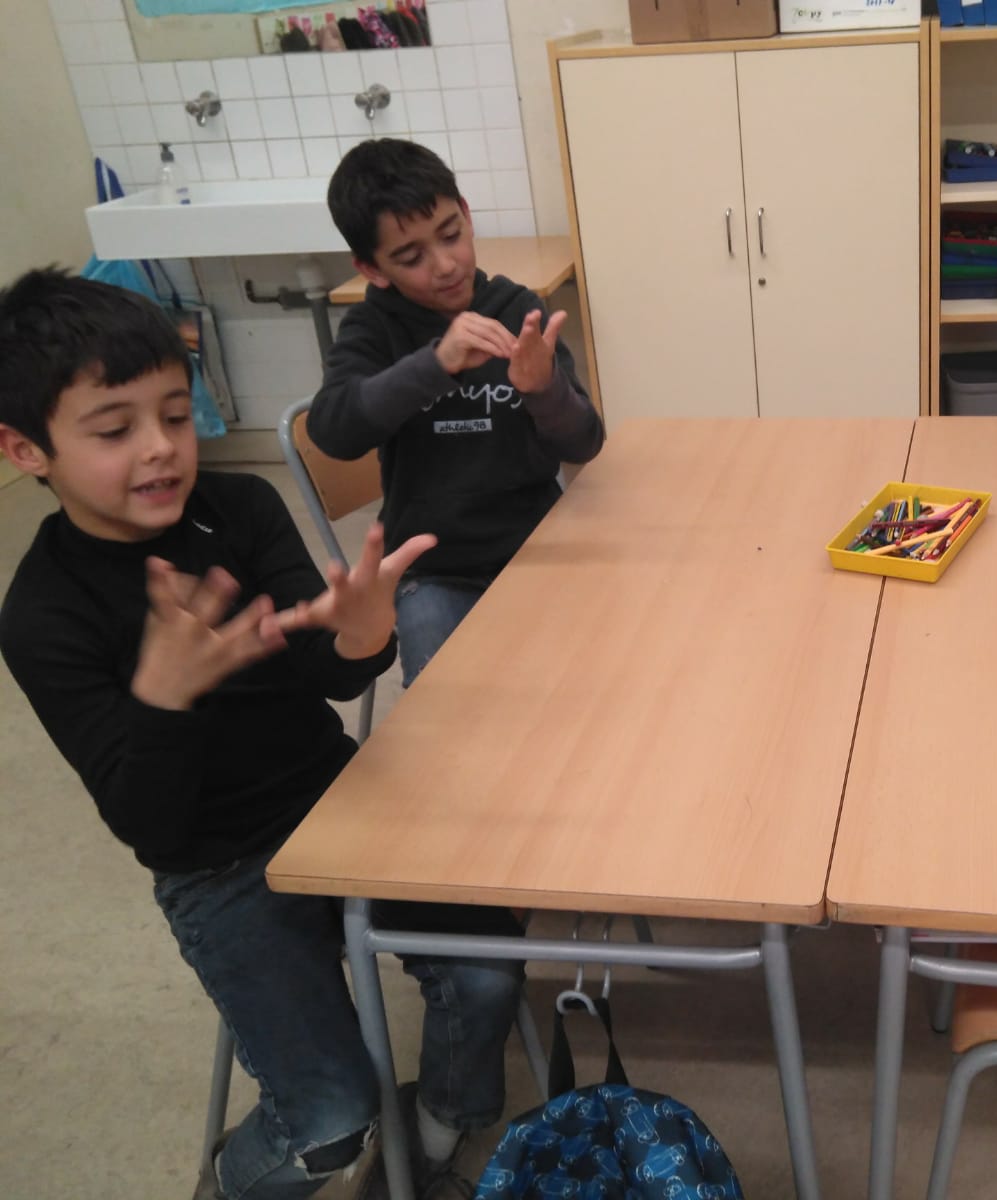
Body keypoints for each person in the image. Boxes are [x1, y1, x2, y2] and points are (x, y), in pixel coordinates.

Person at [0, 269, 525, 1200]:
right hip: (218, 866)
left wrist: (362, 633)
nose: (161, 448)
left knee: (487, 971)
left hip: (334, 801)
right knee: (327, 1127)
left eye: (175, 414)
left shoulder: (237, 509)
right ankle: (234, 1181)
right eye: (115, 430)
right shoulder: (43, 611)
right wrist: (164, 697)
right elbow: (152, 828)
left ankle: (434, 1135)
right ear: (24, 448)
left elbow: (329, 674)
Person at [310, 138, 603, 686]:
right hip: (434, 571)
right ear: (372, 268)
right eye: (411, 257)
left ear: (467, 215)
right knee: (447, 706)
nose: (445, 265)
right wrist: (436, 363)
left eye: (451, 235)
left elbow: (584, 442)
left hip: (538, 546)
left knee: (597, 678)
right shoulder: (374, 329)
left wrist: (544, 390)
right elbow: (333, 429)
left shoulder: (517, 309)